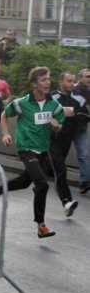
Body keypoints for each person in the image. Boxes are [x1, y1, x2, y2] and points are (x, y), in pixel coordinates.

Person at [0, 67, 65, 238]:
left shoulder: (54, 105)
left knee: (25, 182)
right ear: (34, 83)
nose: (47, 83)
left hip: (43, 149)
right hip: (26, 148)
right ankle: (41, 225)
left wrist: (57, 126)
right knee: (42, 184)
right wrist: (6, 133)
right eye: (43, 80)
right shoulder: (22, 103)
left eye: (48, 79)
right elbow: (4, 114)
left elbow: (60, 125)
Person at [45, 71, 84, 216]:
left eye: (73, 81)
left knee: (46, 171)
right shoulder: (51, 97)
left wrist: (75, 114)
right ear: (61, 82)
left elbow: (84, 115)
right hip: (50, 139)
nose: (71, 84)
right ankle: (67, 201)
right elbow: (42, 112)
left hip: (66, 139)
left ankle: (0, 189)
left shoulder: (79, 99)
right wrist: (52, 119)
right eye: (68, 81)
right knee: (61, 169)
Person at [72, 68, 90, 194]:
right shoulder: (73, 90)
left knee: (83, 154)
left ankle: (84, 182)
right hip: (67, 128)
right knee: (58, 154)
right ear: (80, 78)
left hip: (81, 129)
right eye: (87, 76)